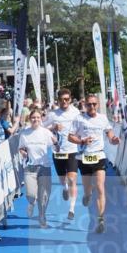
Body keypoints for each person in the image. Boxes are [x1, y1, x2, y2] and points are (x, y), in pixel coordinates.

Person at [68, 94, 121, 234]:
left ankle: (101, 219)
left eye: (94, 104)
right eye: (89, 104)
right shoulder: (79, 119)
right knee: (88, 190)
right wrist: (81, 141)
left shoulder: (103, 118)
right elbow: (70, 136)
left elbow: (109, 133)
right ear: (85, 105)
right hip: (84, 157)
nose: (92, 107)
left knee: (100, 187)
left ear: (98, 105)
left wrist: (114, 139)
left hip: (99, 155)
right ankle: (87, 195)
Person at [44, 89, 81, 219]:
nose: (64, 102)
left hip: (72, 150)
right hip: (58, 150)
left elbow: (82, 127)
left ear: (70, 99)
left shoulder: (76, 113)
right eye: (62, 99)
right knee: (62, 179)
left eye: (66, 99)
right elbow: (42, 129)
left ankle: (71, 209)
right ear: (58, 100)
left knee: (72, 179)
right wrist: (53, 128)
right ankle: (64, 188)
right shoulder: (52, 114)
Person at [19, 107, 58, 228]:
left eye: (37, 117)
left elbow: (56, 149)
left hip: (44, 166)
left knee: (44, 195)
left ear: (41, 119)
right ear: (30, 119)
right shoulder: (25, 133)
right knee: (31, 194)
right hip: (30, 167)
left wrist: (56, 143)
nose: (35, 119)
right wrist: (23, 152)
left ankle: (42, 215)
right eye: (33, 118)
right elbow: (21, 148)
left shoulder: (46, 132)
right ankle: (31, 203)